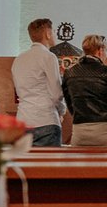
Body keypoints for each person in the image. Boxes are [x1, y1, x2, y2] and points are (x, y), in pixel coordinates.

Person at [12, 18, 67, 147]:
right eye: (53, 31)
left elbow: (19, 91)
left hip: (23, 120)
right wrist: (62, 111)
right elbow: (56, 93)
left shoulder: (19, 59)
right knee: (49, 166)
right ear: (47, 34)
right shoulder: (48, 56)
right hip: (46, 120)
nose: (54, 34)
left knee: (25, 166)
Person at [63, 34, 107, 147]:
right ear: (100, 50)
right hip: (106, 129)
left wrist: (79, 116)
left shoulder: (69, 72)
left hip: (80, 129)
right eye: (106, 50)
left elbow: (69, 101)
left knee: (79, 163)